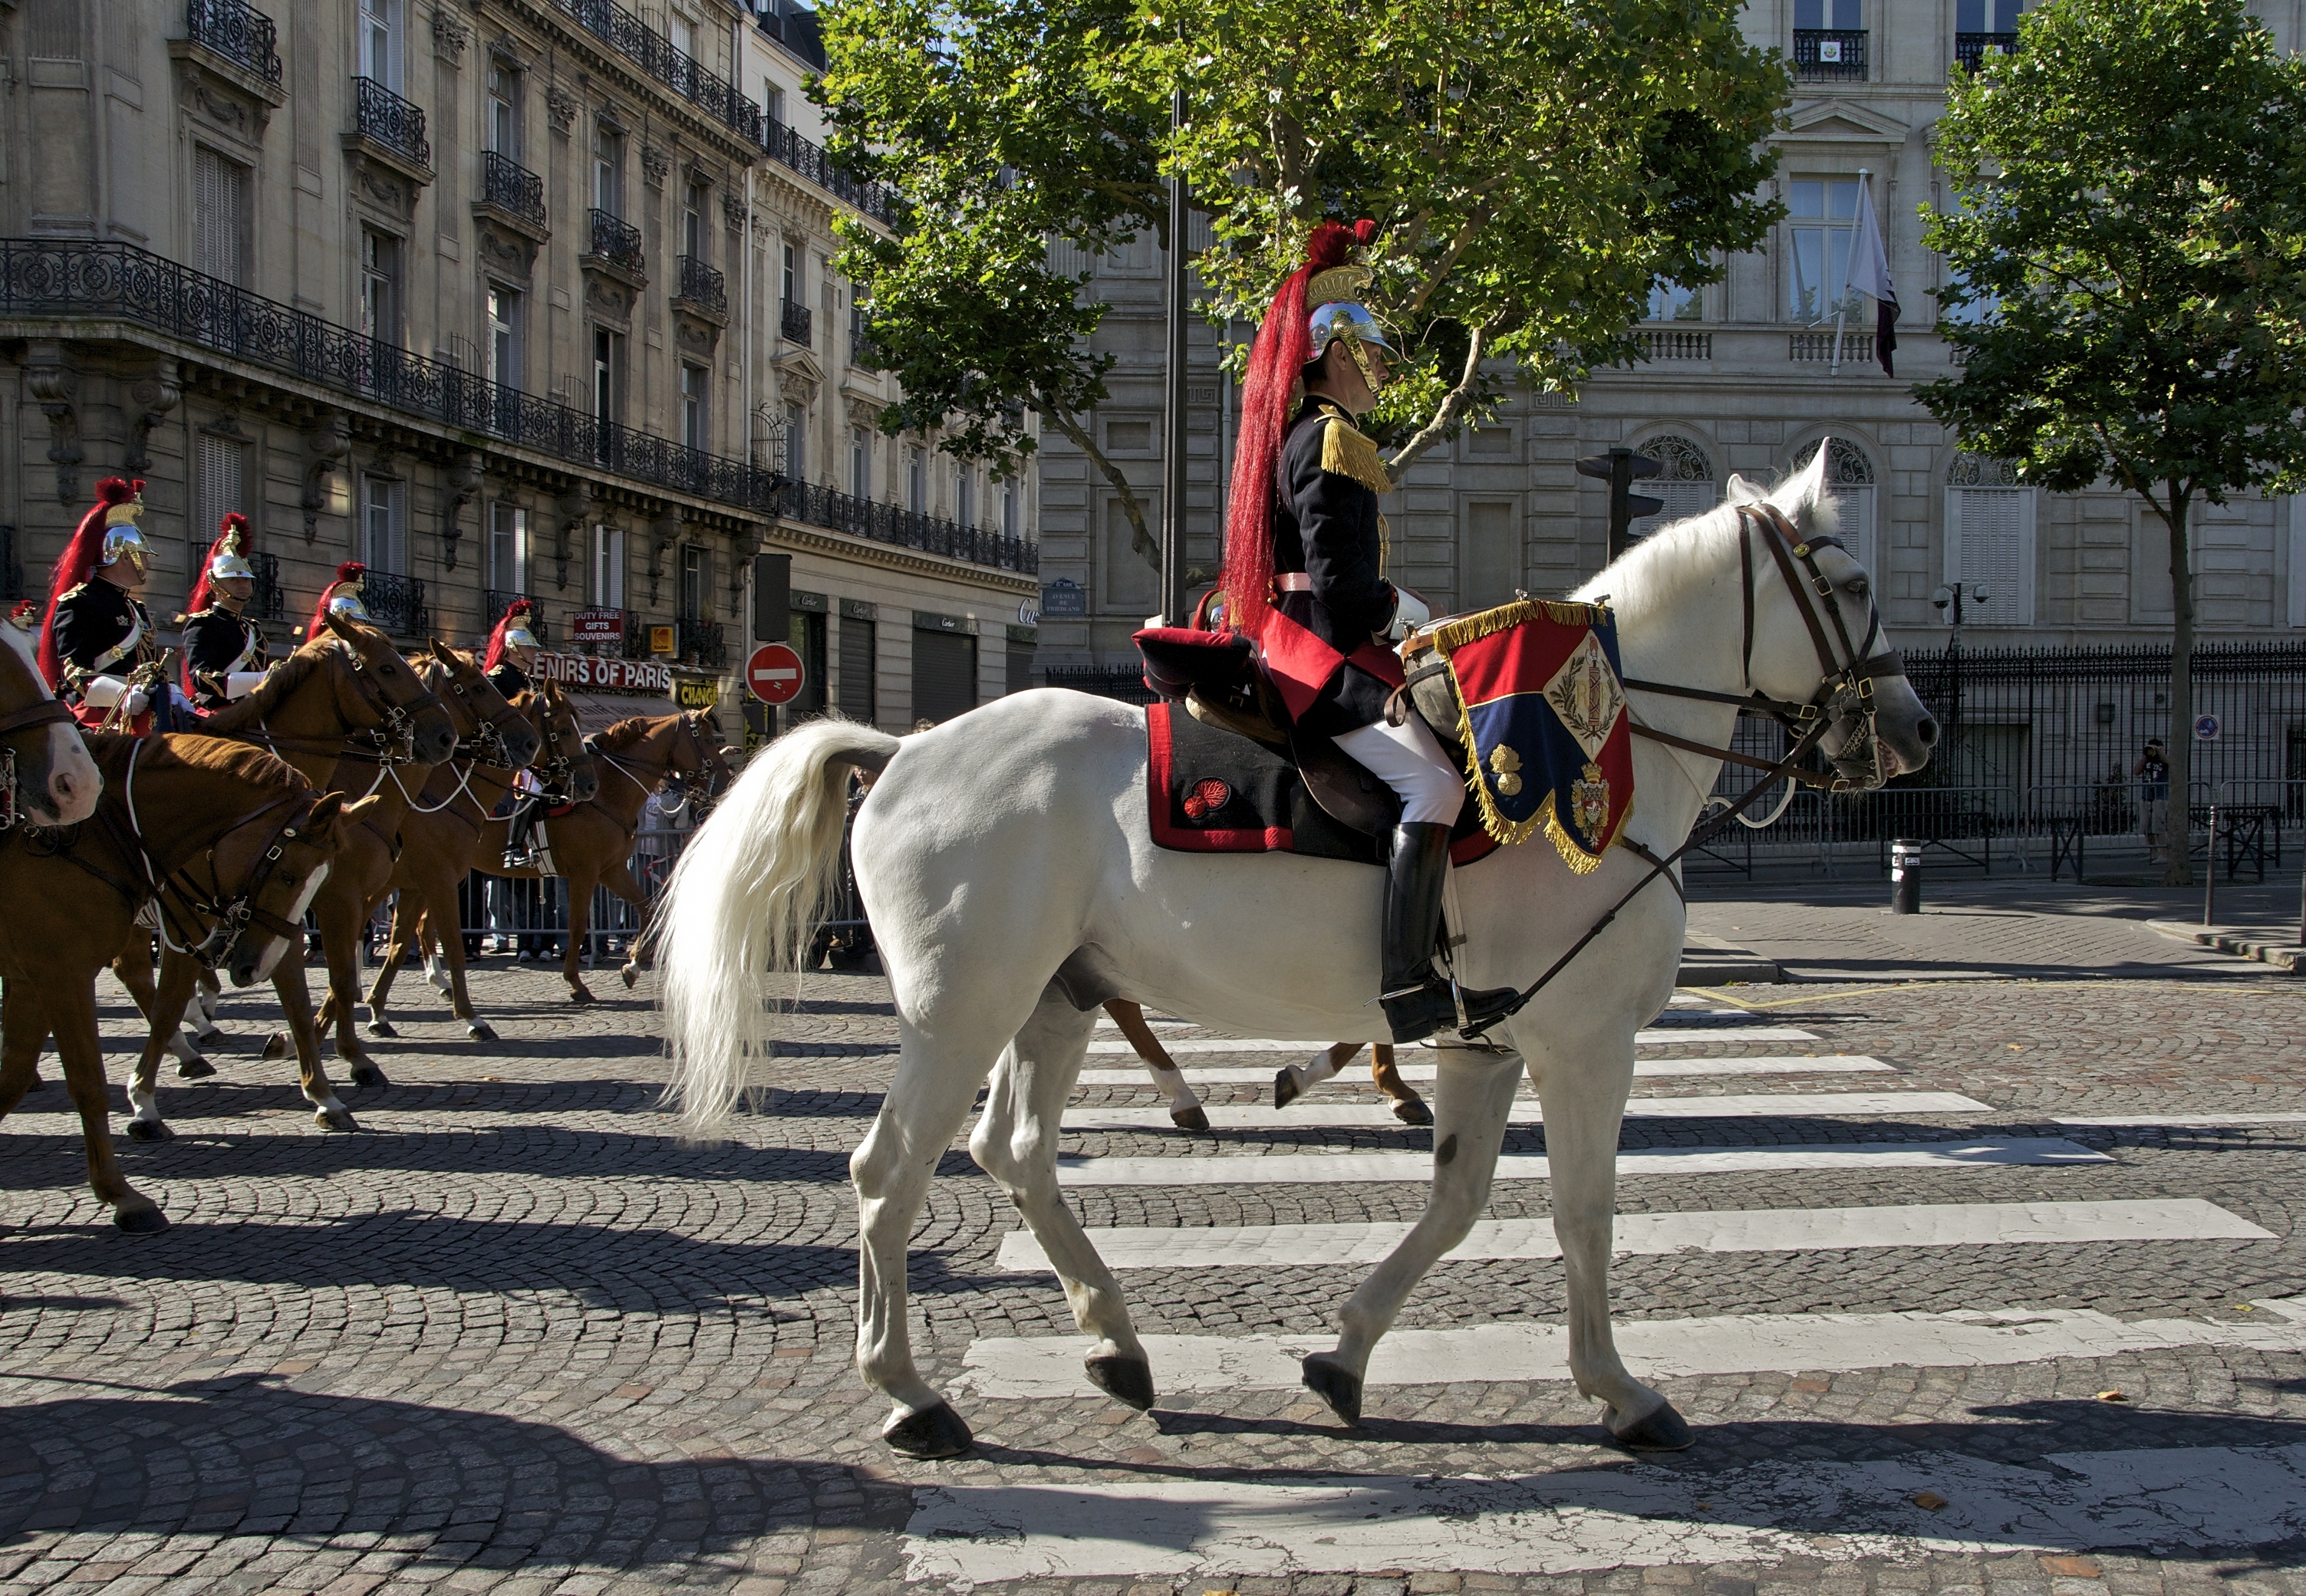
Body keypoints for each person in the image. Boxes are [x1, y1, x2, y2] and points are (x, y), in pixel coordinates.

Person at [1217, 220, 1516, 1045]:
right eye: (1374, 355)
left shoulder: (1302, 434)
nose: (1382, 370)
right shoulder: (1334, 438)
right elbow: (1345, 593)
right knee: (1437, 788)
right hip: (1320, 651)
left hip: (1310, 634)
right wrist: (1416, 619)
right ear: (1337, 353)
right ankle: (1407, 985)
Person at [38, 476, 183, 732]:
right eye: (143, 556)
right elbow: (73, 671)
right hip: (100, 716)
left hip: (147, 710)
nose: (148, 564)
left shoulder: (136, 609)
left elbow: (150, 667)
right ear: (125, 556)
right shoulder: (80, 603)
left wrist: (173, 690)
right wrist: (120, 694)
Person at [483, 599, 549, 874]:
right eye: (529, 646)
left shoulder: (527, 680)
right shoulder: (498, 679)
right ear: (513, 647)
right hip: (505, 754)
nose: (534, 651)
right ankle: (513, 848)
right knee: (531, 789)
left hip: (527, 752)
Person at [180, 513, 270, 711]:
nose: (243, 585)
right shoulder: (203, 624)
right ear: (215, 584)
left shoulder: (253, 630)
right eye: (234, 580)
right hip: (219, 712)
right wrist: (258, 680)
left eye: (246, 580)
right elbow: (201, 677)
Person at [2132, 736, 2172, 863]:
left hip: (2160, 797)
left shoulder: (2164, 761)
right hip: (2146, 796)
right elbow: (2136, 772)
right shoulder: (2147, 761)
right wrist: (2144, 757)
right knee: (2146, 827)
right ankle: (2153, 852)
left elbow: (2171, 764)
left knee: (2158, 826)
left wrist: (2160, 752)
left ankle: (2163, 854)